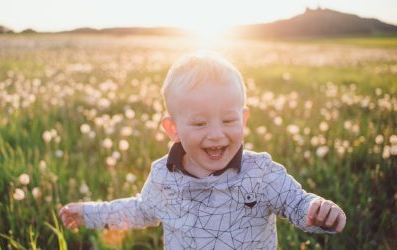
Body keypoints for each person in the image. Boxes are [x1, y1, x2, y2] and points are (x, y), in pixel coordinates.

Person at [60, 51, 346, 249]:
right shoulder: (164, 177)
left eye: (229, 120)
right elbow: (142, 210)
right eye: (199, 123)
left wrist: (317, 213)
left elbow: (295, 202)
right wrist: (91, 214)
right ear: (173, 129)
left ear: (244, 119)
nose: (216, 134)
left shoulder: (261, 173)